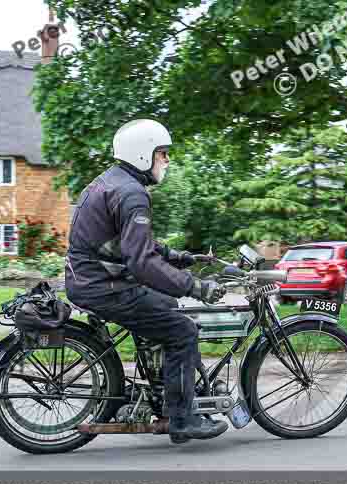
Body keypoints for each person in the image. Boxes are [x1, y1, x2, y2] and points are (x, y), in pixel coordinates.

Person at [64, 119, 229, 444]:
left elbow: (132, 246)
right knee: (182, 330)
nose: (167, 160)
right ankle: (182, 419)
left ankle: (165, 389)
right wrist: (194, 286)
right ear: (143, 154)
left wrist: (182, 258)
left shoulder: (113, 182)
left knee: (166, 306)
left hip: (90, 279)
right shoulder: (132, 194)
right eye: (162, 153)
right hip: (103, 287)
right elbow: (141, 262)